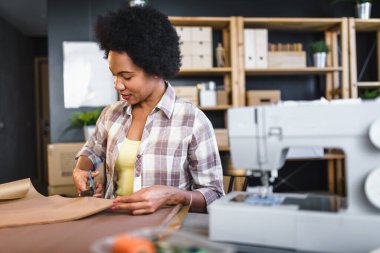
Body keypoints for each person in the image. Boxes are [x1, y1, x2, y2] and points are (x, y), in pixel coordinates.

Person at [72, 5, 224, 215]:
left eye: (126, 77)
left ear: (155, 69)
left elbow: (215, 196)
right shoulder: (111, 114)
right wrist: (81, 170)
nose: (118, 85)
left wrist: (172, 196)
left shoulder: (192, 121)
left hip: (166, 234)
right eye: (114, 75)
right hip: (111, 226)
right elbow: (91, 151)